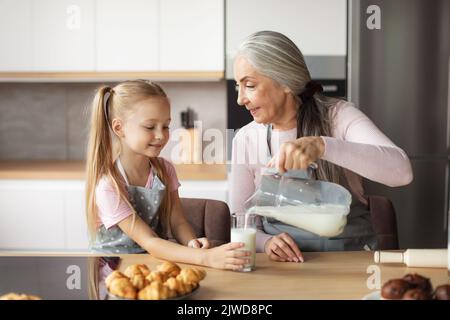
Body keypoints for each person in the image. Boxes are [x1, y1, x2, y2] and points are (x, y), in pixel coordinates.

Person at [230, 31, 413, 262]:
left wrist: (322, 146)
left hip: (352, 261)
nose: (240, 99)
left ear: (285, 82)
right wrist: (266, 243)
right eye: (239, 86)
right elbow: (241, 221)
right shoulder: (246, 139)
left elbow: (401, 171)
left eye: (249, 85)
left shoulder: (338, 117)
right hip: (285, 268)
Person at [85, 79, 248, 270]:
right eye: (150, 127)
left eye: (166, 126)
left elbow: (178, 222)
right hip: (114, 271)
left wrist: (192, 244)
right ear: (119, 128)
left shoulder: (164, 170)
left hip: (153, 264)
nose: (161, 135)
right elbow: (150, 241)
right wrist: (205, 258)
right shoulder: (108, 185)